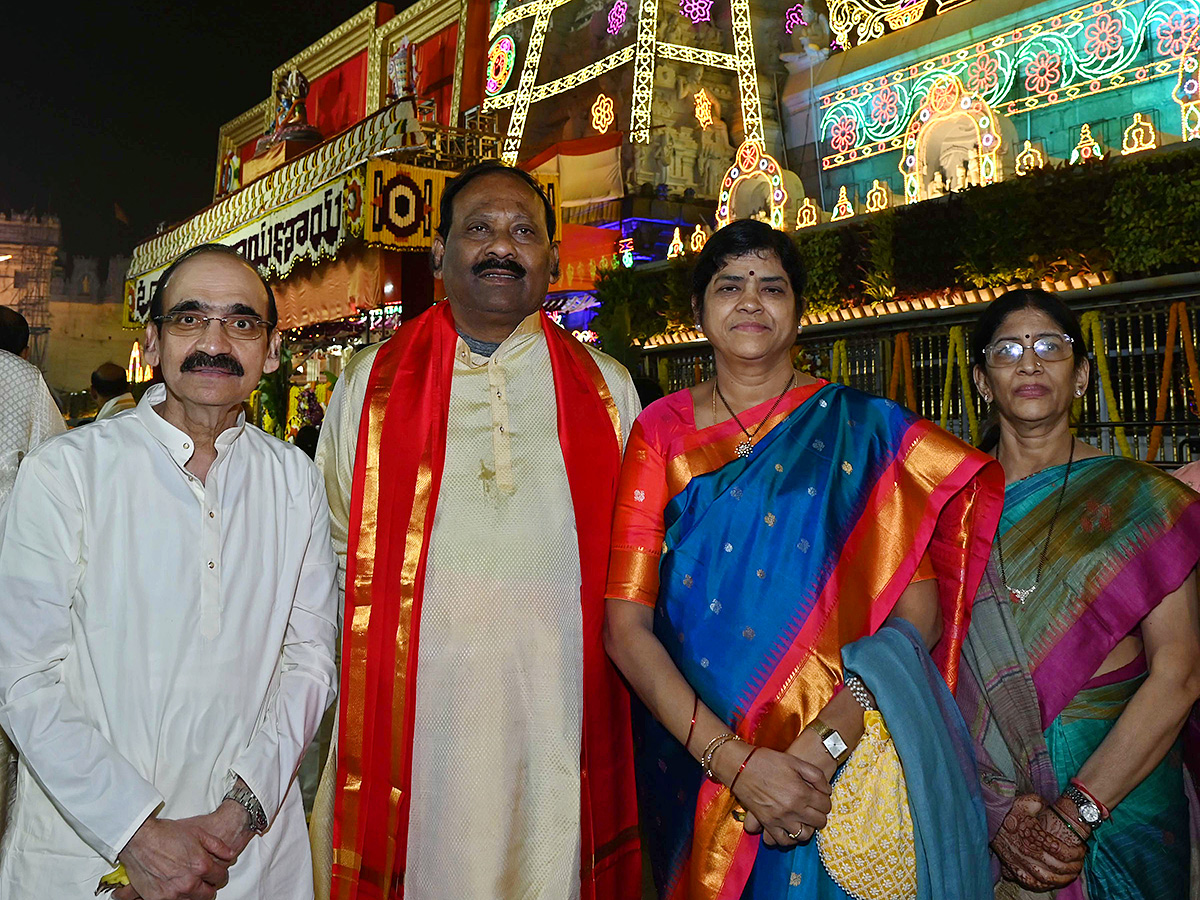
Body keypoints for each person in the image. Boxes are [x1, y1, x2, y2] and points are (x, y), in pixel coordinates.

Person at [604, 219, 1004, 899]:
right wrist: (733, 763)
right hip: (697, 769)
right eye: (729, 286)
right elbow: (625, 627)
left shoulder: (866, 427)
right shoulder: (661, 433)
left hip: (836, 768)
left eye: (772, 286)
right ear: (699, 311)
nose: (751, 301)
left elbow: (920, 613)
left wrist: (826, 742)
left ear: (798, 311)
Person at [309, 162, 643, 900]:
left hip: (558, 718)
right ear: (438, 253)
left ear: (552, 259)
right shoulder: (369, 385)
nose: (503, 246)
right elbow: (333, 551)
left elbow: (636, 569)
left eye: (524, 231)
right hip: (416, 727)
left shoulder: (607, 389)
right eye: (480, 229)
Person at [0, 244, 339, 899]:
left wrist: (235, 820)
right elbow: (21, 675)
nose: (214, 342)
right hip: (87, 854)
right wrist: (139, 835)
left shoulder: (293, 479)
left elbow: (310, 662)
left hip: (246, 861)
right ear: (152, 343)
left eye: (241, 323)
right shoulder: (67, 472)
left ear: (270, 352)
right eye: (190, 319)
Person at [956, 288, 1200, 898]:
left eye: (1050, 347)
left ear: (1083, 375)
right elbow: (930, 674)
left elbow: (1180, 675)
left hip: (1123, 805)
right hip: (988, 807)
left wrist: (1079, 813)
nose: (1030, 363)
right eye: (1007, 350)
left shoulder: (1144, 501)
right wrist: (996, 811)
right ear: (984, 382)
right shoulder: (947, 513)